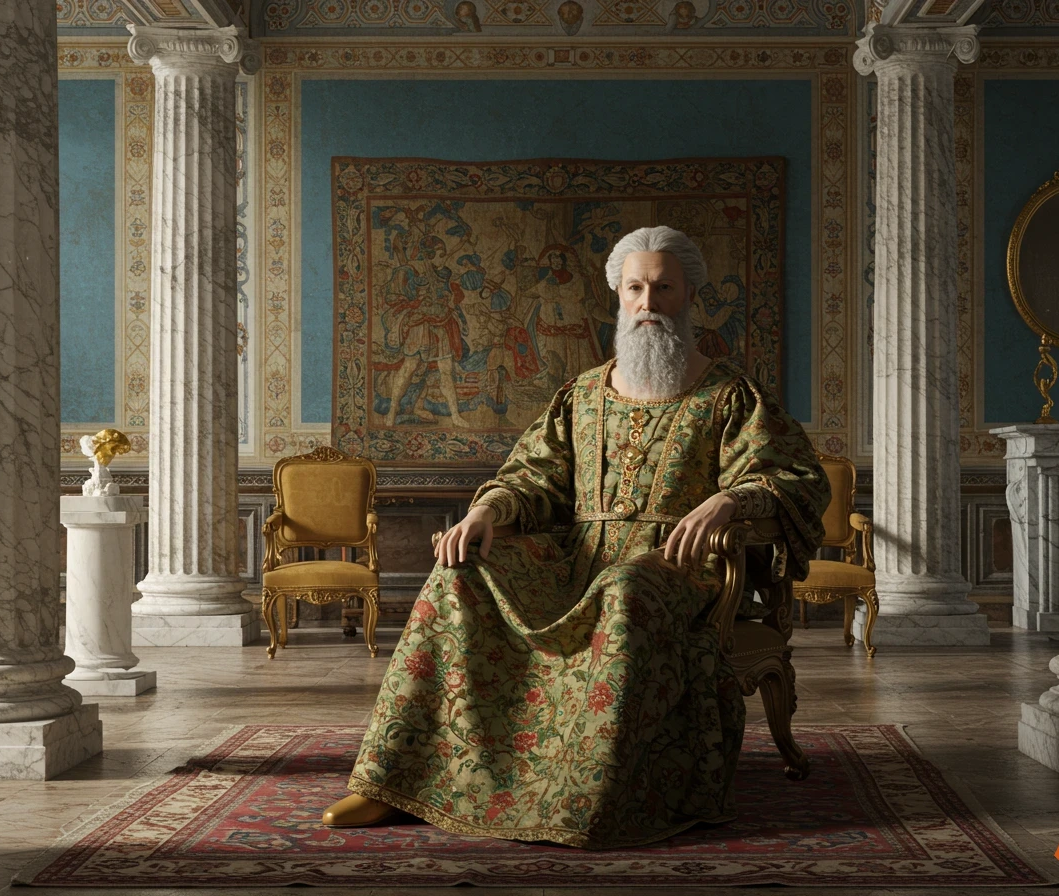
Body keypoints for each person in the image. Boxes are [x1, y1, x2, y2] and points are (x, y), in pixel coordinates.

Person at [324, 226, 830, 848]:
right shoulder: (582, 395)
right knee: (460, 573)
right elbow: (533, 476)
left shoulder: (732, 396)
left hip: (676, 568)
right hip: (577, 558)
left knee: (626, 589)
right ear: (617, 296)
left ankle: (589, 793)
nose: (649, 303)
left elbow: (796, 480)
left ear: (688, 295)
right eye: (635, 288)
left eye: (664, 288)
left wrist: (729, 501)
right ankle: (393, 779)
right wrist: (487, 511)